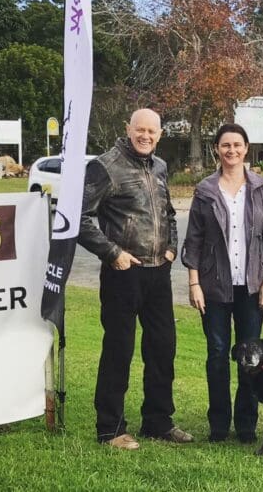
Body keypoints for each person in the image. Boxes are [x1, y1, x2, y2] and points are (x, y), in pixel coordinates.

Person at [78, 108, 193, 450]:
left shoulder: (159, 166)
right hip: (122, 274)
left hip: (158, 273)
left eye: (152, 132)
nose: (145, 136)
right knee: (119, 351)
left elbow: (169, 213)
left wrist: (171, 247)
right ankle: (110, 429)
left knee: (162, 349)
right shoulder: (105, 166)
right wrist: (112, 253)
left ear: (160, 135)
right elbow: (77, 218)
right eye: (139, 130)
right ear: (127, 128)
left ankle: (158, 421)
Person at [182, 123, 263, 443]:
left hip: (252, 287)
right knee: (217, 353)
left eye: (237, 145)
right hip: (214, 287)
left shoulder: (261, 189)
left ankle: (247, 425)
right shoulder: (205, 190)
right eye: (226, 145)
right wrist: (194, 283)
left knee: (250, 356)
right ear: (217, 149)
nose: (232, 150)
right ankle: (219, 424)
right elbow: (193, 241)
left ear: (246, 148)